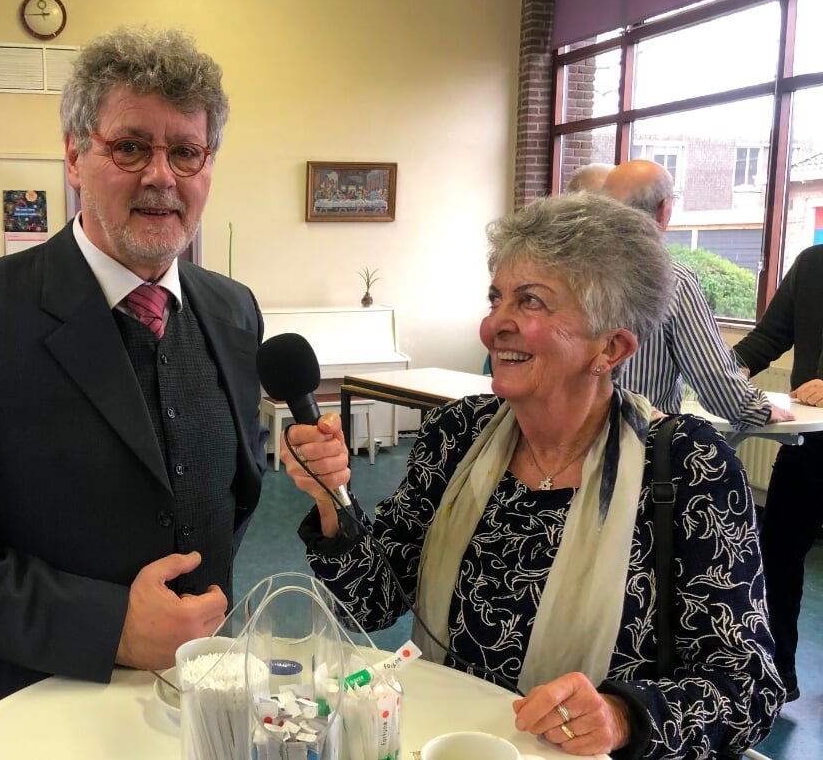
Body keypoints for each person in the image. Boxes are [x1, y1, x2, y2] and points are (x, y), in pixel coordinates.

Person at [0, 27, 267, 746]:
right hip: (26, 707)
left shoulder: (234, 310)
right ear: (75, 154)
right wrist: (110, 626)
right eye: (131, 146)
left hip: (197, 706)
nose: (160, 177)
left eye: (186, 152)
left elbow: (222, 493)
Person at [280, 193, 783, 759]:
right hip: (447, 744)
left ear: (611, 346)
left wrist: (621, 716)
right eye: (496, 298)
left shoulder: (690, 467)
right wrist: (331, 500)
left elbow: (746, 687)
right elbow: (371, 602)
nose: (496, 325)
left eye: (531, 302)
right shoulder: (458, 435)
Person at [602, 159, 792, 430]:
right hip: (635, 448)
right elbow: (715, 382)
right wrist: (759, 408)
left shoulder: (563, 269)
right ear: (664, 210)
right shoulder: (672, 279)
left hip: (549, 446)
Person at [732, 244, 823, 703]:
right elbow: (770, 336)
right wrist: (724, 370)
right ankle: (777, 673)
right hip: (810, 443)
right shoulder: (812, 263)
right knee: (777, 551)